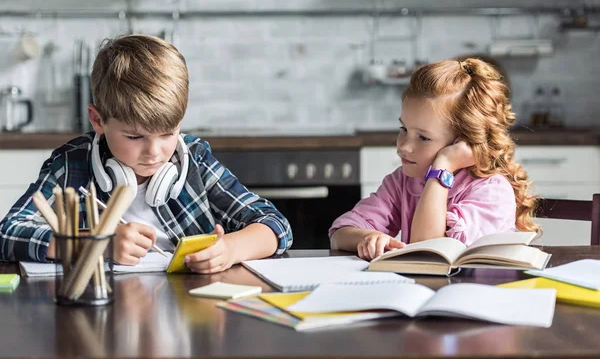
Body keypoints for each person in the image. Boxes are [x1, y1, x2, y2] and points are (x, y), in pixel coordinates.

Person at [0, 34, 292, 273]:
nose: (155, 152)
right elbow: (7, 234)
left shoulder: (194, 160)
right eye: (135, 136)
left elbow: (275, 225)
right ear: (98, 119)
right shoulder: (71, 163)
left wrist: (229, 249)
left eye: (168, 133)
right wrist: (96, 245)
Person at [329, 58, 538, 260]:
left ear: (464, 142)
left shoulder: (492, 192)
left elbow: (428, 251)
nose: (403, 146)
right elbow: (339, 235)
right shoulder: (403, 181)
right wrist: (367, 237)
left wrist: (442, 167)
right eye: (404, 129)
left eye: (423, 137)